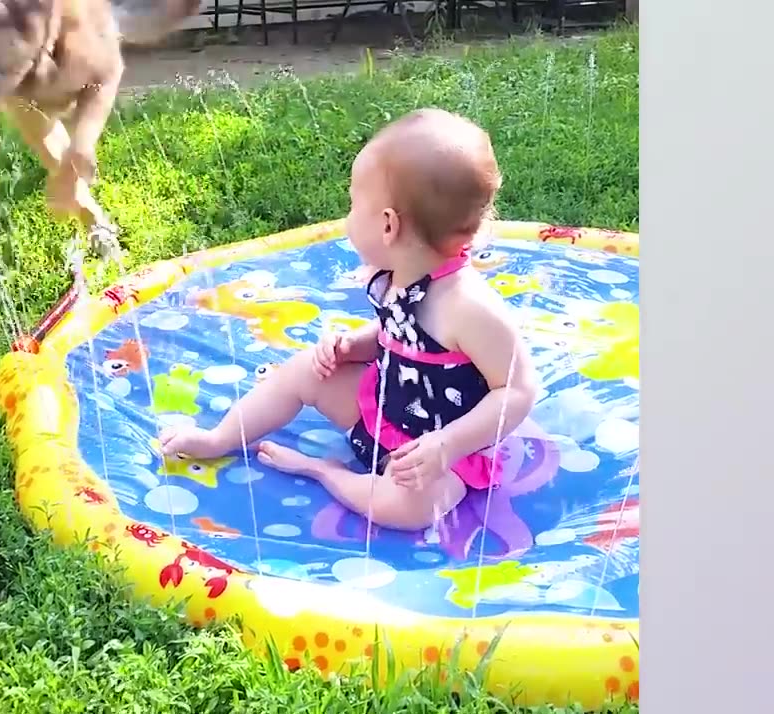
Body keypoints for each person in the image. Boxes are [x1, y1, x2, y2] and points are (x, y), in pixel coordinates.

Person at [158, 108, 539, 531]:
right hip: (384, 408)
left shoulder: (468, 306)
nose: (347, 216)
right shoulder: (402, 276)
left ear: (388, 225)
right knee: (306, 369)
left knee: (411, 511)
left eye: (354, 204)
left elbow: (518, 389)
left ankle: (327, 472)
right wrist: (356, 346)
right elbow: (405, 335)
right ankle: (222, 438)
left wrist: (447, 446)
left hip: (445, 452)